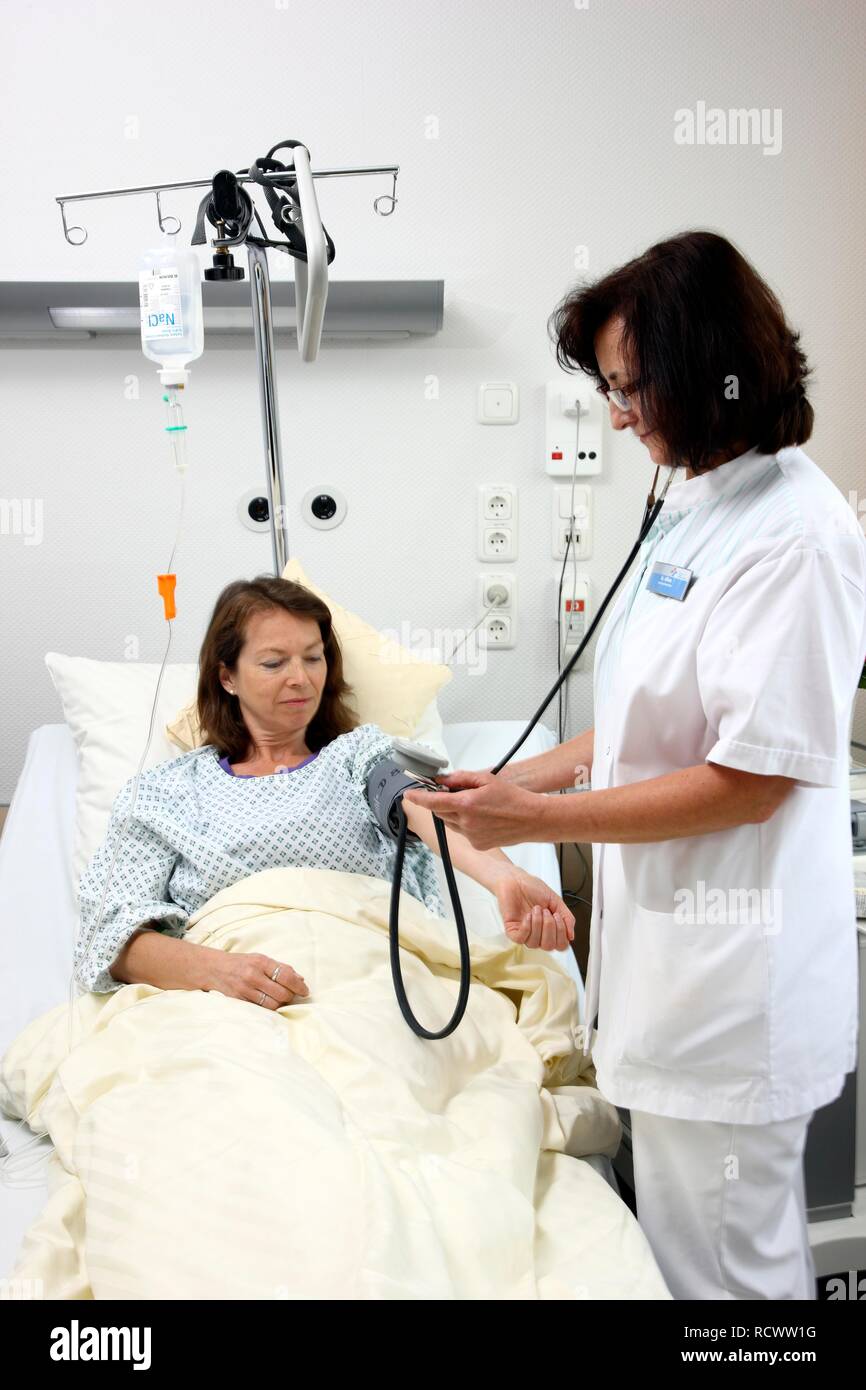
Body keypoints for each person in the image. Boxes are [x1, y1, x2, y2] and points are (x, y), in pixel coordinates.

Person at [404, 230, 866, 1300]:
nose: (614, 416)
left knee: (730, 1284)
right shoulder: (703, 505)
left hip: (728, 996)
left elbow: (749, 780)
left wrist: (532, 823)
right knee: (709, 1263)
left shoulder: (791, 536)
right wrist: (522, 783)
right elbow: (643, 722)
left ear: (709, 369)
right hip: (672, 973)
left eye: (627, 387)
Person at [75, 576, 574, 1002]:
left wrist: (503, 878)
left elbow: (424, 808)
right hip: (225, 1005)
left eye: (313, 659)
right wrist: (221, 972)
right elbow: (111, 940)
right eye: (274, 664)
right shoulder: (165, 793)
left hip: (371, 986)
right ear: (226, 676)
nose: (301, 679)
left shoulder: (358, 758)